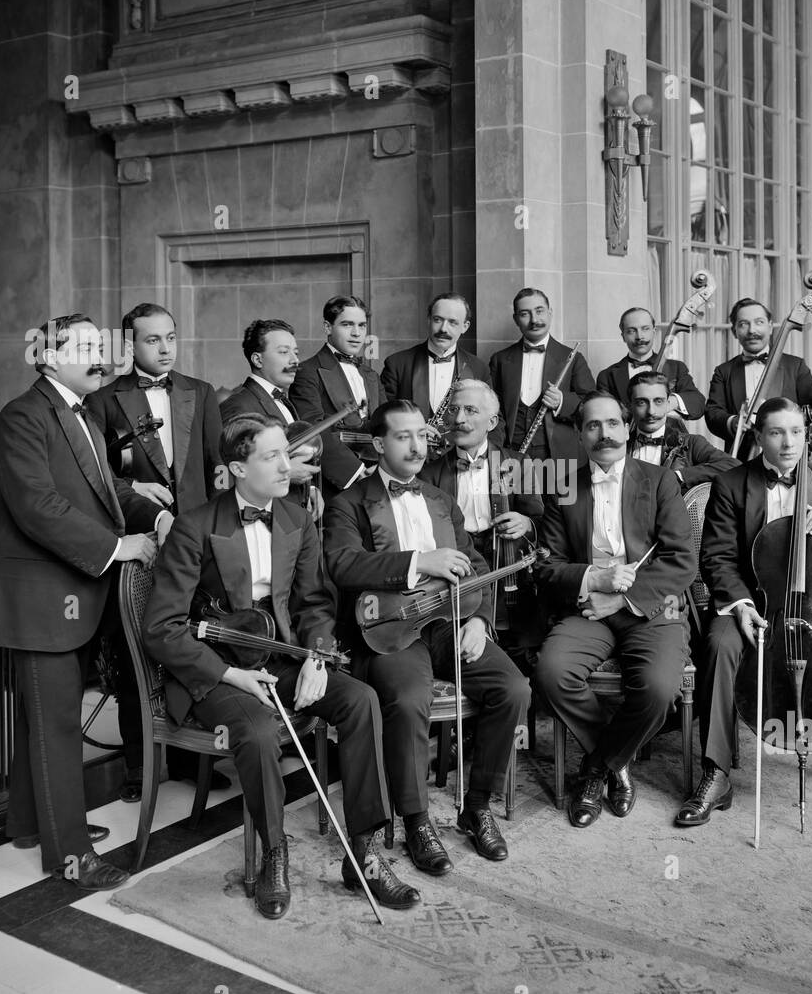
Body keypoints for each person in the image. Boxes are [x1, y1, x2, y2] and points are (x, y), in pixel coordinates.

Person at [143, 414, 421, 918]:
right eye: (271, 456)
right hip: (217, 668)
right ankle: (275, 852)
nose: (285, 464)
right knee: (259, 731)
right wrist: (231, 675)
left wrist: (317, 655)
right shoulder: (194, 526)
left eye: (284, 453)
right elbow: (162, 627)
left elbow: (315, 603)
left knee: (361, 700)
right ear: (236, 469)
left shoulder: (296, 518)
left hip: (286, 654)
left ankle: (365, 852)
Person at [0, 314, 171, 889]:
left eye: (99, 344)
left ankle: (29, 823)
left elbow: (106, 495)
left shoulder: (80, 414)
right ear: (47, 358)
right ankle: (71, 854)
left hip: (77, 596)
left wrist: (154, 516)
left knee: (47, 720)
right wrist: (120, 545)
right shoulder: (21, 418)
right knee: (58, 725)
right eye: (84, 346)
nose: (99, 354)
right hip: (39, 603)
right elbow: (38, 507)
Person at [323, 400, 530, 876]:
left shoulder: (439, 499)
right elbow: (343, 564)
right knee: (410, 696)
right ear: (378, 445)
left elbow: (477, 565)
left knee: (513, 689)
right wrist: (420, 561)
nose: (418, 446)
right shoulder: (348, 504)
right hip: (389, 632)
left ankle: (476, 806)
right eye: (403, 437)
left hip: (449, 621)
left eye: (421, 435)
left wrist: (479, 621)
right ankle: (416, 821)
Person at [677, 397, 812, 828]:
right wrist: (738, 605)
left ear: (807, 436)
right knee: (720, 650)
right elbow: (717, 557)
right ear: (759, 437)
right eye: (776, 432)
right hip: (755, 600)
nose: (788, 442)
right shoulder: (732, 483)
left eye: (796, 432)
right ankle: (716, 773)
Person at [533, 392, 696, 829]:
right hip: (588, 606)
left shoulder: (659, 480)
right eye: (592, 425)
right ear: (580, 435)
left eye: (612, 424)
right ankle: (616, 761)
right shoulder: (564, 484)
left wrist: (622, 597)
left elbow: (681, 560)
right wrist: (595, 579)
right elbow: (547, 567)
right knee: (551, 674)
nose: (604, 433)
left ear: (628, 429)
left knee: (659, 690)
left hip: (650, 607)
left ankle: (595, 769)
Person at [85, 301, 225, 802]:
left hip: (196, 547)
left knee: (194, 646)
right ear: (130, 346)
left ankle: (192, 757)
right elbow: (100, 481)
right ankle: (138, 768)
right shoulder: (102, 401)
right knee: (133, 655)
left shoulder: (200, 393)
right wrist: (139, 496)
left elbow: (216, 470)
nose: (165, 348)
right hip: (142, 545)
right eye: (152, 340)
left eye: (170, 337)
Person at [420, 379, 546, 654]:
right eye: (453, 410)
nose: (459, 418)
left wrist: (525, 523)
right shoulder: (429, 474)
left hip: (507, 565)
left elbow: (540, 520)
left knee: (522, 648)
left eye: (470, 410)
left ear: (492, 422)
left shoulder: (519, 464)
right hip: (459, 569)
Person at [219, 318, 323, 515]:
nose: (295, 360)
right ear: (257, 359)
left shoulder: (284, 400)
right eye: (284, 352)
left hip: (293, 514)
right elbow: (231, 468)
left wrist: (309, 488)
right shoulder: (238, 405)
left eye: (296, 352)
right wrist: (287, 472)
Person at [289, 294, 385, 498]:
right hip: (336, 486)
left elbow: (386, 425)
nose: (356, 333)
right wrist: (358, 472)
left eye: (362, 325)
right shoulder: (307, 371)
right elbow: (312, 431)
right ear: (327, 327)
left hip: (378, 480)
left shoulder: (371, 376)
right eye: (347, 325)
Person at [490, 287, 596, 463]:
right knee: (508, 491)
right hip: (509, 455)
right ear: (516, 319)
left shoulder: (573, 358)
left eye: (539, 311)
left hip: (560, 458)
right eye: (525, 314)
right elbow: (490, 409)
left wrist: (562, 401)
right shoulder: (499, 360)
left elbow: (591, 404)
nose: (534, 320)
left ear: (550, 313)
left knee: (559, 492)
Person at [704, 297, 812, 453]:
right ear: (734, 331)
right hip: (741, 460)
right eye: (743, 324)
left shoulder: (796, 366)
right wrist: (732, 422)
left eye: (759, 322)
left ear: (771, 327)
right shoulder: (723, 371)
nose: (752, 330)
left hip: (789, 454)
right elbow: (712, 413)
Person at [379, 293, 495, 446]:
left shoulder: (478, 367)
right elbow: (382, 416)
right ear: (428, 320)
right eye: (437, 320)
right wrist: (413, 429)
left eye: (453, 322)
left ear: (465, 327)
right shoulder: (397, 363)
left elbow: (492, 420)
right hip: (411, 455)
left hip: (459, 459)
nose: (443, 329)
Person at [627, 371, 739, 490]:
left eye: (658, 401)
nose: (651, 412)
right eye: (641, 402)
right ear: (630, 406)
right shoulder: (618, 446)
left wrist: (680, 476)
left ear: (668, 404)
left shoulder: (691, 443)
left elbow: (733, 465)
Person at [595, 306, 705, 420]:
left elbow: (698, 404)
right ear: (623, 336)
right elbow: (603, 415)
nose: (639, 336)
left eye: (645, 328)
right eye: (631, 331)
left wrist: (670, 403)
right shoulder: (606, 376)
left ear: (654, 332)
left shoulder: (676, 368)